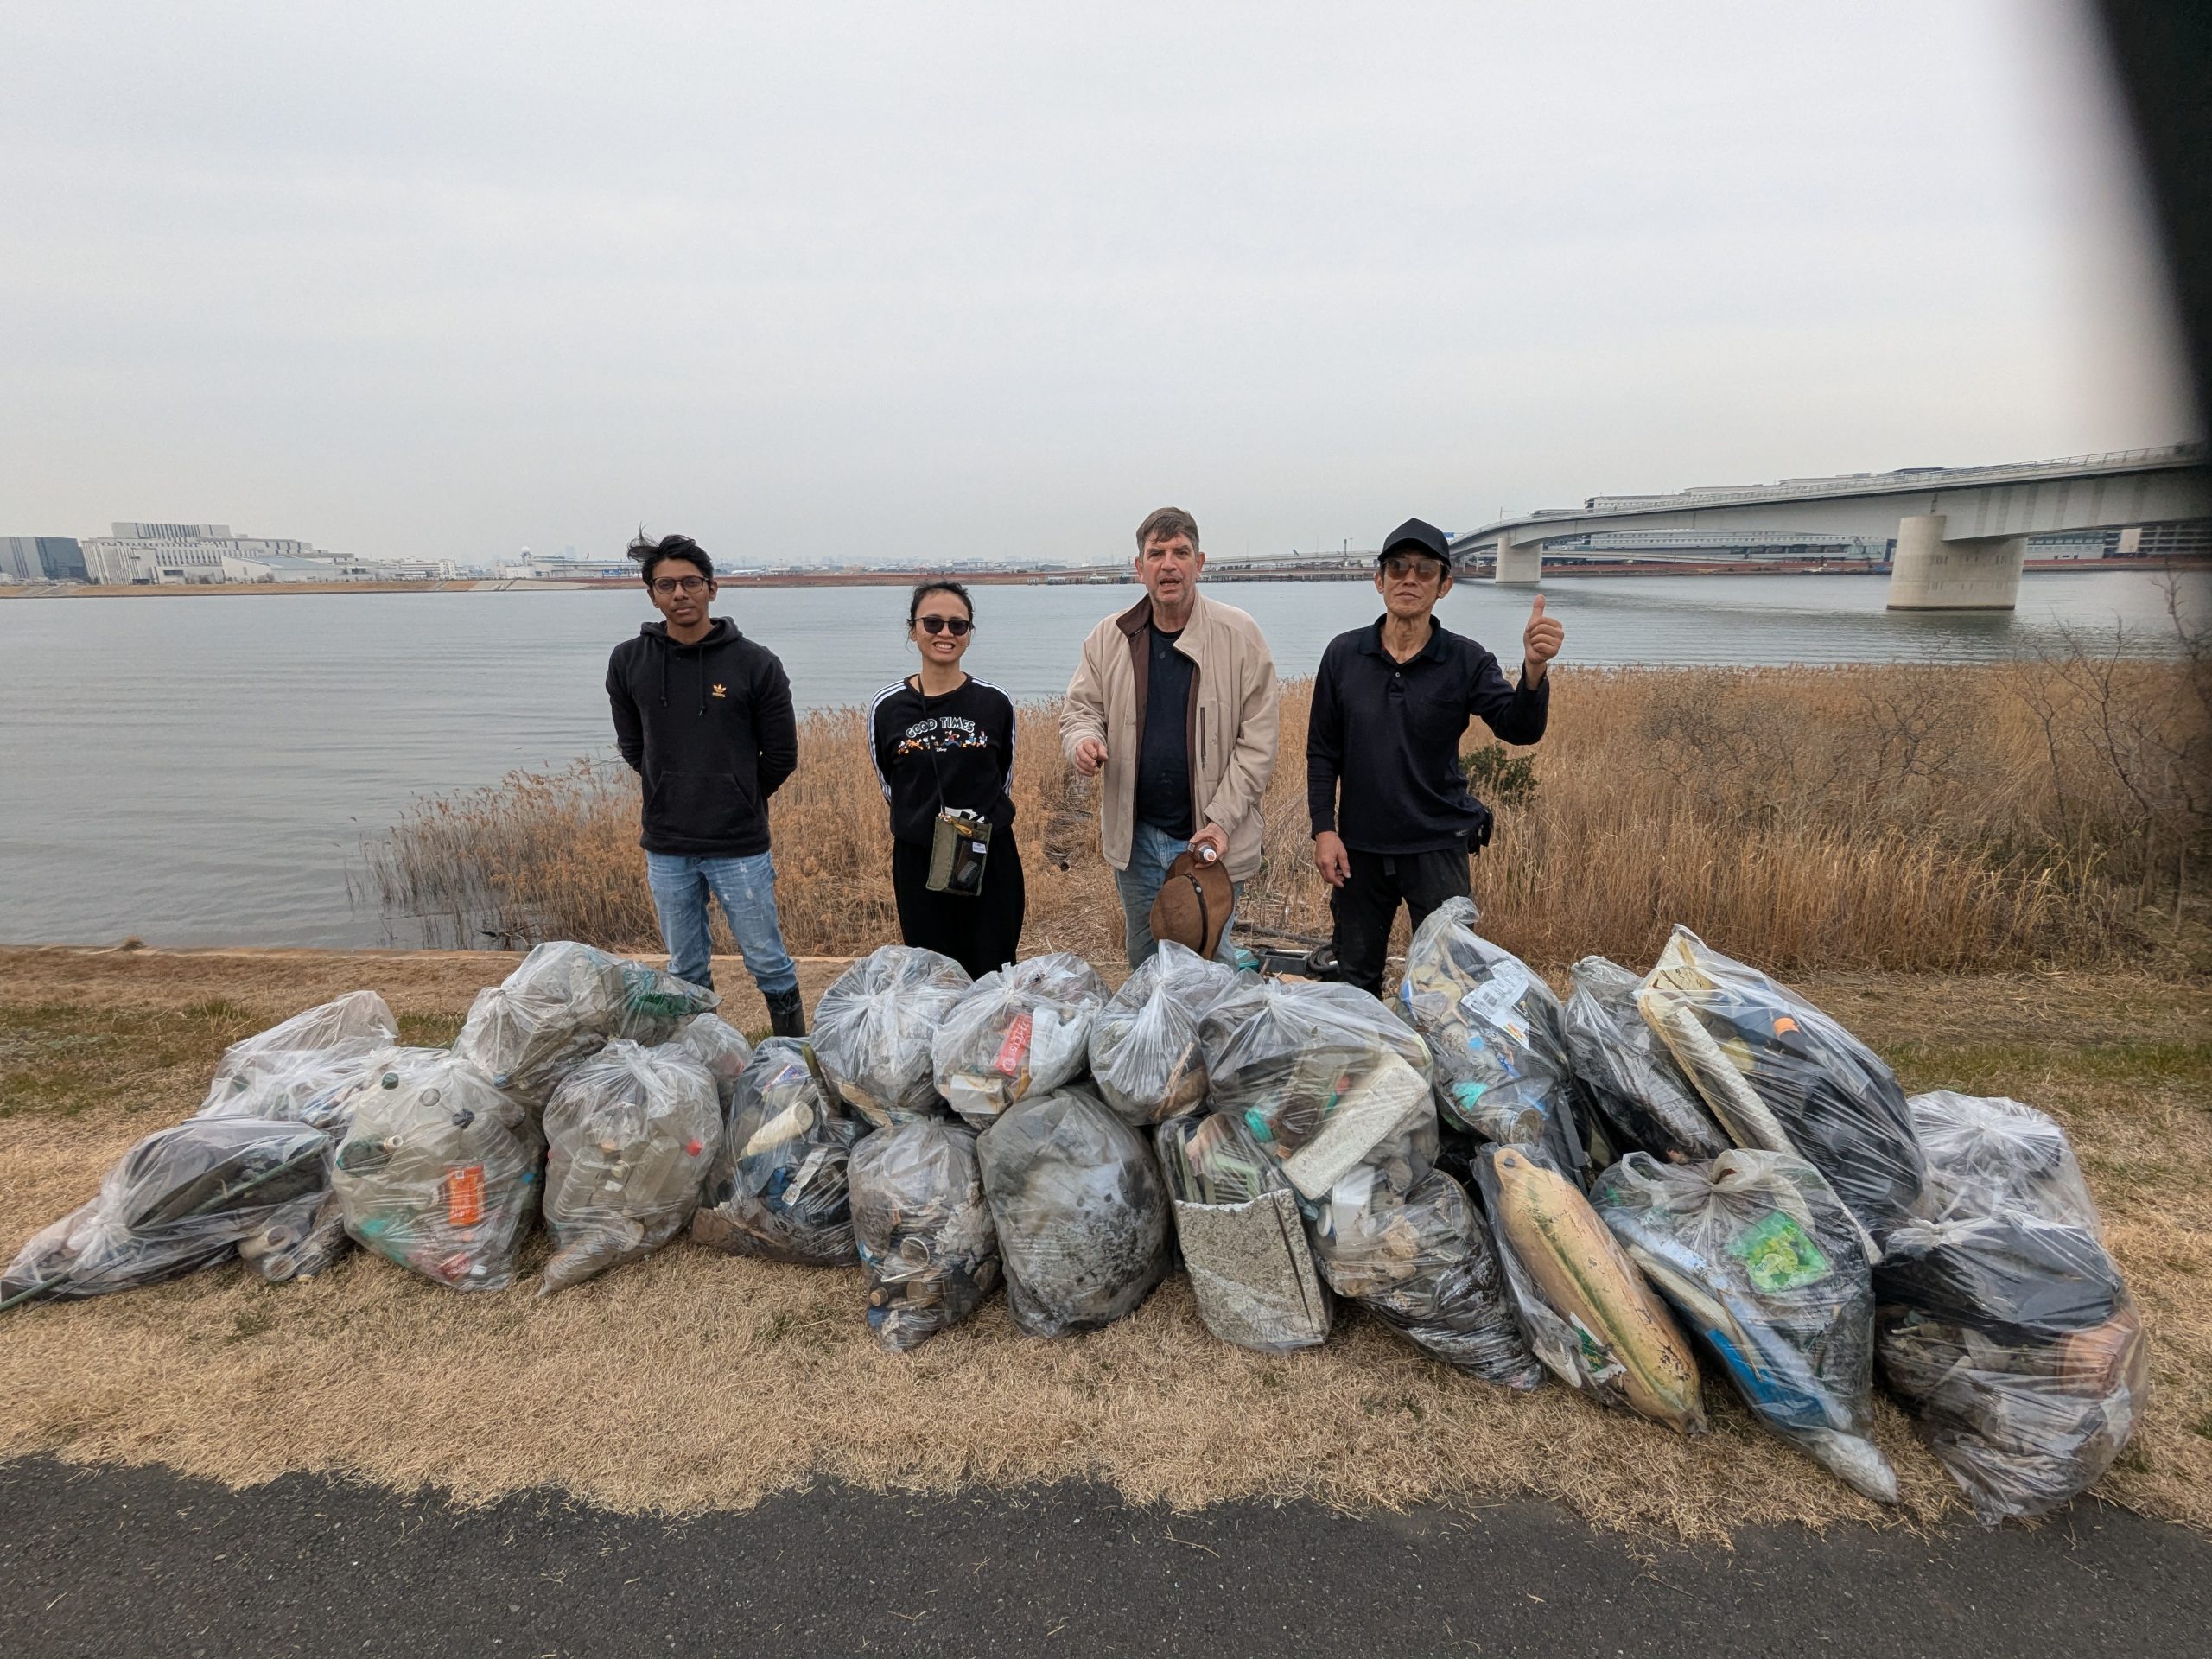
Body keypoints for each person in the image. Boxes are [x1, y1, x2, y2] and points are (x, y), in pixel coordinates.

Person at [1306, 517, 1564, 996]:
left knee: (1449, 984)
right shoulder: (1343, 655)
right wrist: (1324, 830)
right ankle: (1366, 1046)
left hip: (1438, 846)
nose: (1410, 578)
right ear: (1379, 579)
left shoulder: (1466, 659)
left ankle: (1441, 1047)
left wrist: (1533, 671)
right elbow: (1322, 750)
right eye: (1398, 567)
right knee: (1355, 981)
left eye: (1425, 570)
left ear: (1444, 585)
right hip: (1360, 849)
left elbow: (1519, 729)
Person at [606, 531, 807, 1036]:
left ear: (712, 588)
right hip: (667, 843)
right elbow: (633, 746)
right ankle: (703, 1060)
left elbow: (781, 756)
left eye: (691, 582)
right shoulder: (628, 662)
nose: (680, 594)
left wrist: (735, 795)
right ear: (652, 595)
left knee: (768, 961)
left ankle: (793, 1055)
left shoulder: (756, 663)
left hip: (738, 843)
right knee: (685, 969)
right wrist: (670, 788)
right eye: (666, 585)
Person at [1061, 506, 1281, 967]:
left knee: (1210, 962)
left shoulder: (1239, 634)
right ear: (1139, 567)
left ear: (1199, 563)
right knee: (1146, 961)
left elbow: (1258, 743)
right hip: (1137, 838)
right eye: (1156, 553)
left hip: (1213, 838)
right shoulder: (1109, 637)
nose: (1169, 564)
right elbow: (1081, 710)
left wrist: (1221, 821)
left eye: (1180, 552)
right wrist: (1082, 740)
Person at [868, 582, 1025, 978]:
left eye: (958, 625)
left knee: (995, 971)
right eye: (933, 623)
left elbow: (1003, 779)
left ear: (969, 633)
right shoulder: (887, 707)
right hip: (920, 860)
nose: (945, 633)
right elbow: (890, 785)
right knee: (933, 975)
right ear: (913, 629)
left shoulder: (995, 702)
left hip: (987, 855)